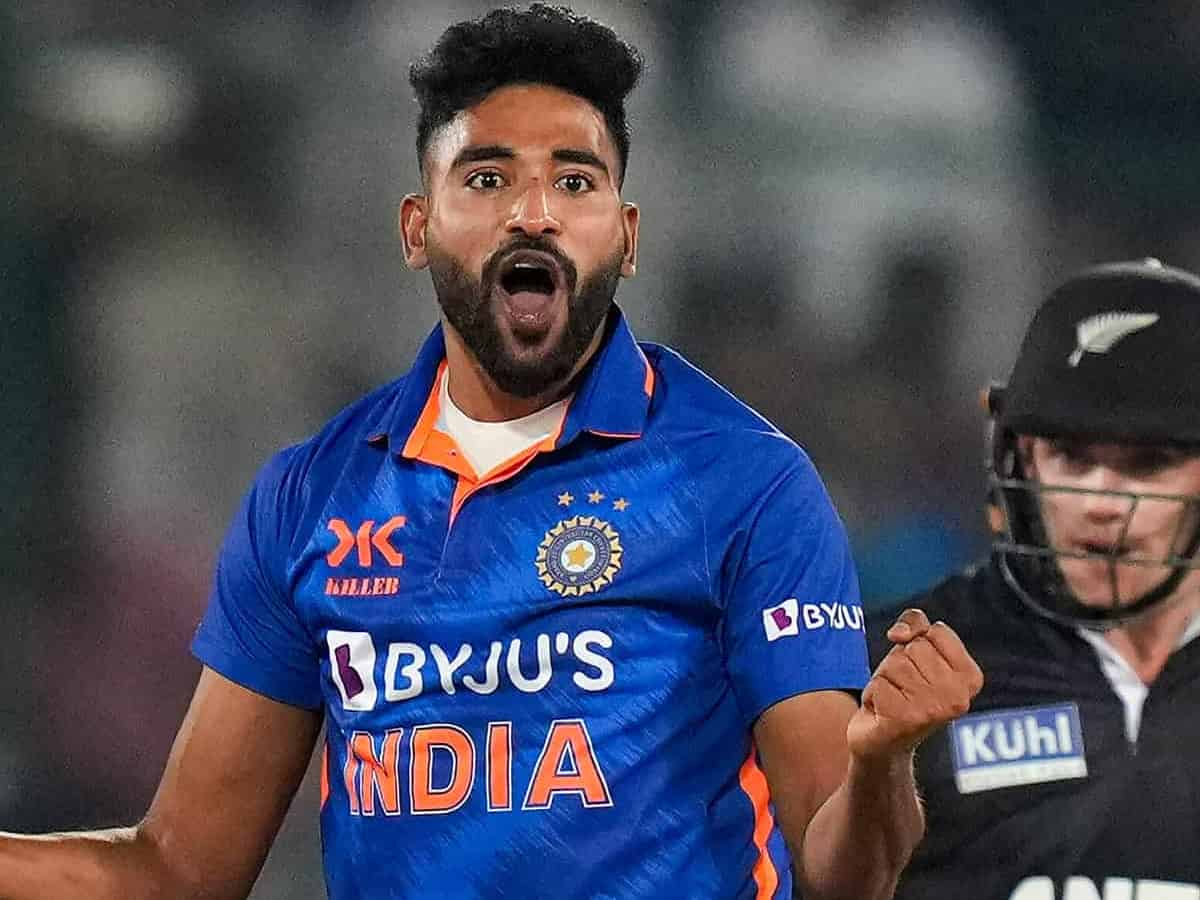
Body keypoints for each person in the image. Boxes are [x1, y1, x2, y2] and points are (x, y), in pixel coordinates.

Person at [1, 6, 982, 899]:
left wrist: (880, 762)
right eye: (488, 178)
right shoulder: (309, 499)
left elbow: (840, 870)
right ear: (417, 228)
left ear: (628, 234)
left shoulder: (747, 488)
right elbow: (179, 869)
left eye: (575, 181)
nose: (534, 216)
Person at [866, 258, 1200, 900]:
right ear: (1019, 457)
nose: (1100, 499)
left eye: (1150, 463)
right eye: (1071, 455)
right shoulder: (901, 668)